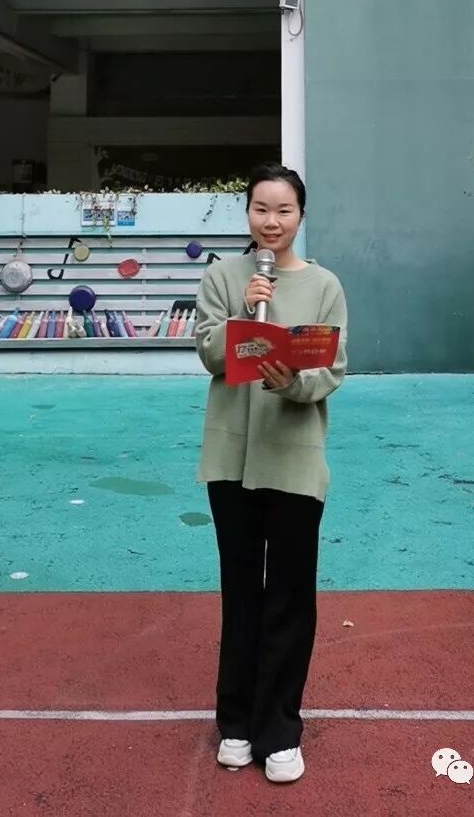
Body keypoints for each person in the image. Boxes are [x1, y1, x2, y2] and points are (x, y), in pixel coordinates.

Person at [193, 162, 348, 784]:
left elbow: (332, 368)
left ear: (301, 216)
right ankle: (235, 724)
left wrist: (293, 382)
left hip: (294, 457)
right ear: (248, 213)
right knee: (241, 593)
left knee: (289, 594)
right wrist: (246, 316)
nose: (272, 221)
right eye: (261, 209)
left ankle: (279, 730)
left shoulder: (325, 285)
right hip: (230, 460)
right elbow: (209, 352)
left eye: (284, 210)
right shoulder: (223, 277)